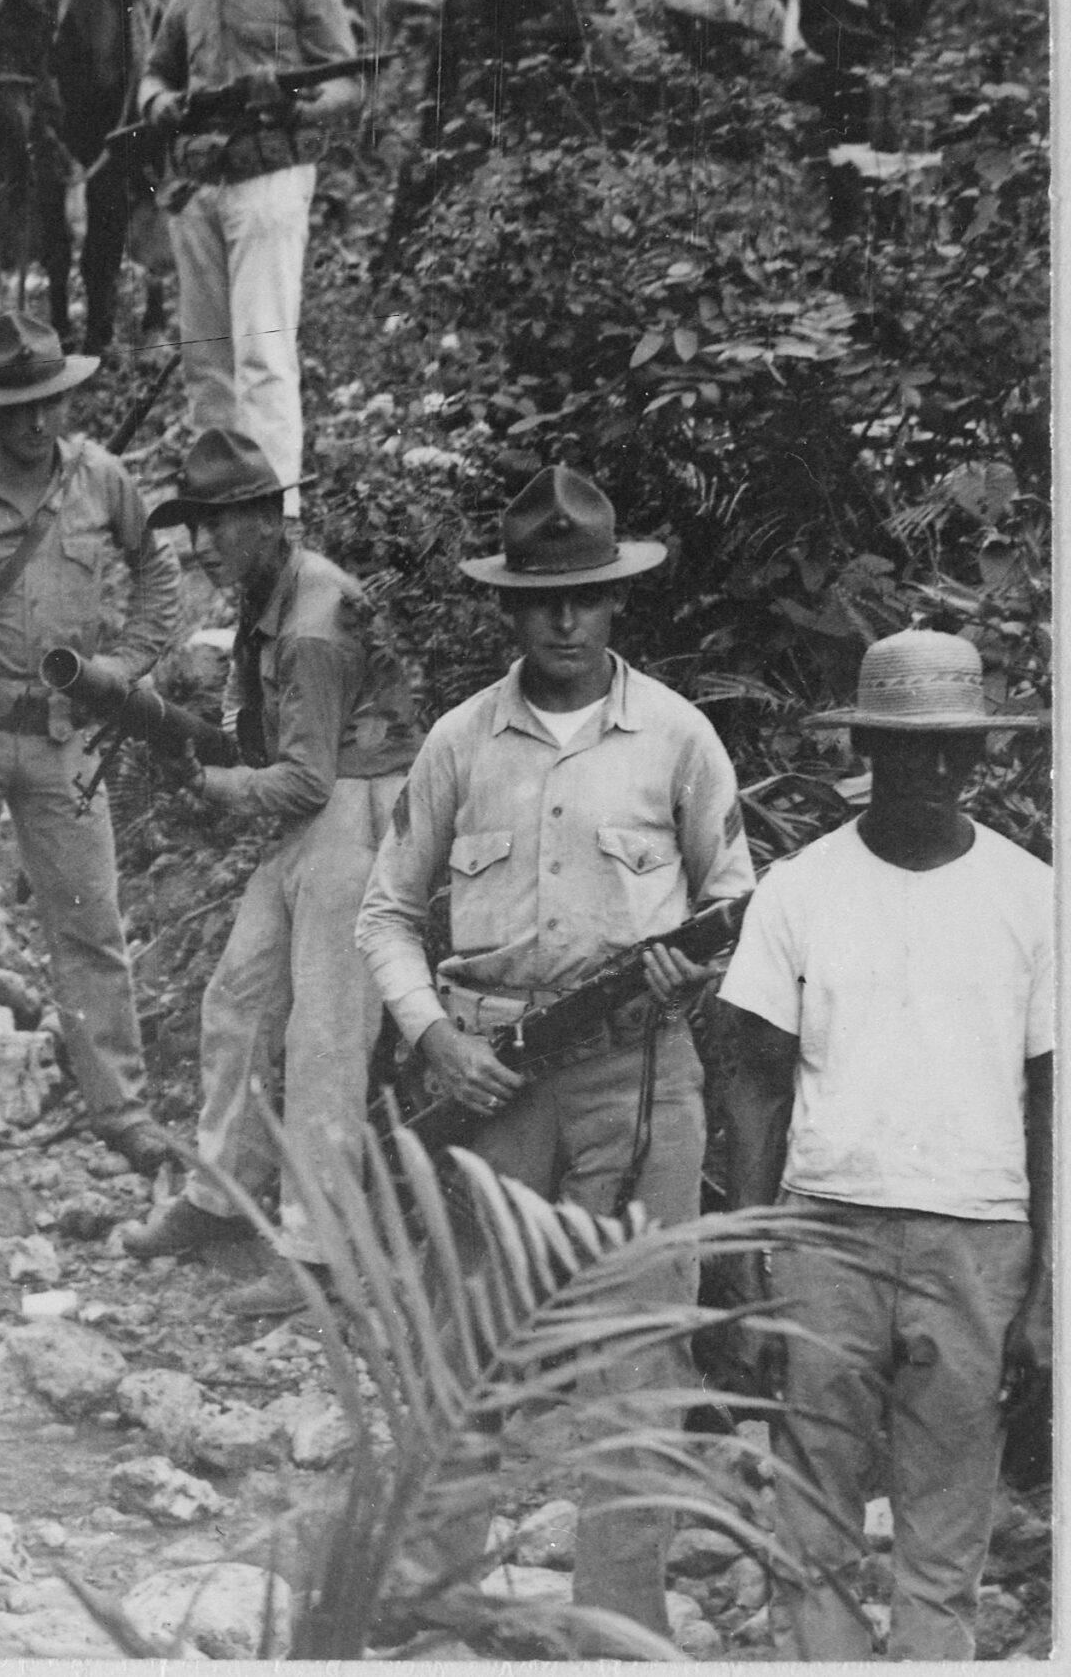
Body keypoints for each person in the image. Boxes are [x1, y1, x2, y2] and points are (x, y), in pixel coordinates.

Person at [352, 464, 754, 1638]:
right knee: (463, 1343)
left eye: (585, 598)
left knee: (636, 1360)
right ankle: (425, 1603)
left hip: (638, 1076)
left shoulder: (676, 736)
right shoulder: (459, 742)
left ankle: (614, 1627)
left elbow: (735, 901)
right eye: (542, 602)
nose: (565, 622)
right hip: (488, 1081)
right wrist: (430, 1034)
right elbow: (385, 911)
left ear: (616, 600)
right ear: (510, 609)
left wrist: (696, 970)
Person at [718, 629, 1052, 1662]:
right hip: (826, 1236)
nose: (930, 769)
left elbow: (1054, 1103)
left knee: (944, 1544)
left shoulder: (1033, 896)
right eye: (906, 749)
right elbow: (751, 1084)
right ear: (867, 748)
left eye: (951, 749)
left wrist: (1050, 1286)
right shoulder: (800, 889)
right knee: (810, 1528)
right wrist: (743, 1257)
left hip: (976, 1241)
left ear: (980, 757)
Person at [115, 427, 421, 1311]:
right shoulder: (267, 595)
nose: (200, 545)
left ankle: (319, 1253)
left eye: (217, 525)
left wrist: (208, 783)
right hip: (311, 819)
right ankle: (221, 1197)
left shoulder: (317, 622)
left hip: (356, 819)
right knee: (238, 1001)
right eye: (193, 527)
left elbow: (307, 775)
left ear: (266, 520)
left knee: (326, 1035)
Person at [0, 313, 181, 1177]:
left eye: (49, 405)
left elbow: (156, 572)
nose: (35, 425)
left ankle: (119, 1107)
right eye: (17, 410)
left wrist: (122, 667)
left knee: (89, 923)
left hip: (65, 739)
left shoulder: (103, 482)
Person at [139, 0, 366, 502]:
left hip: (269, 178)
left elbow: (350, 84)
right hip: (199, 186)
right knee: (207, 357)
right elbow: (155, 73)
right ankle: (217, 499)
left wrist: (298, 107)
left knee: (264, 351)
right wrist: (158, 104)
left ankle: (274, 507)